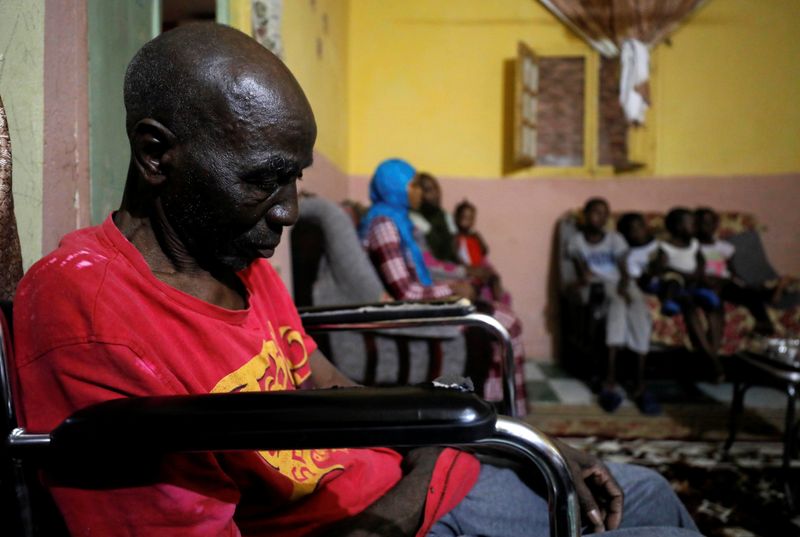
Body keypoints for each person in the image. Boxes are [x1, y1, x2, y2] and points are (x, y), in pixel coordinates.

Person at [12, 23, 702, 537]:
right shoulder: (90, 319)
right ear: (156, 153)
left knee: (647, 492)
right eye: (264, 178)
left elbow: (322, 379)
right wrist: (432, 459)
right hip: (395, 518)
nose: (288, 209)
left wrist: (508, 435)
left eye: (296, 176)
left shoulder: (230, 259)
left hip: (417, 482)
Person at [359, 159, 527, 415]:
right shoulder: (384, 226)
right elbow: (406, 293)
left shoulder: (398, 221)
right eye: (413, 185)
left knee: (505, 321)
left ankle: (498, 410)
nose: (419, 192)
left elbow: (422, 274)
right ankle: (504, 413)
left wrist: (457, 283)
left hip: (425, 300)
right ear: (394, 187)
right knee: (507, 324)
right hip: (413, 313)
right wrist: (454, 290)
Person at [566, 198, 656, 414]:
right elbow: (581, 269)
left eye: (605, 213)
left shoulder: (615, 239)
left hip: (623, 283)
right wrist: (582, 279)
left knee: (639, 313)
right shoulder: (577, 241)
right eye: (595, 212)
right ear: (585, 215)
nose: (600, 217)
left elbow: (624, 267)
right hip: (601, 286)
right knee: (616, 310)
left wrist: (625, 287)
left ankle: (640, 384)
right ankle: (610, 381)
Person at [660, 207, 725, 381]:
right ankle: (713, 361)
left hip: (695, 285)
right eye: (691, 223)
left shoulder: (695, 244)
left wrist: (702, 278)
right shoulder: (666, 247)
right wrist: (683, 275)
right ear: (678, 227)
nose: (695, 226)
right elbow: (662, 269)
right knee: (689, 308)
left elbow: (701, 265)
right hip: (678, 287)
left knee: (715, 307)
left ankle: (712, 354)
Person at [695, 207, 774, 335]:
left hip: (724, 282)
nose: (708, 227)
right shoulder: (694, 246)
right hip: (705, 282)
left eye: (711, 223)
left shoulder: (723, 247)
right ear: (696, 225)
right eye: (704, 223)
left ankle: (763, 322)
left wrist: (741, 282)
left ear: (716, 225)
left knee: (751, 293)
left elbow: (731, 270)